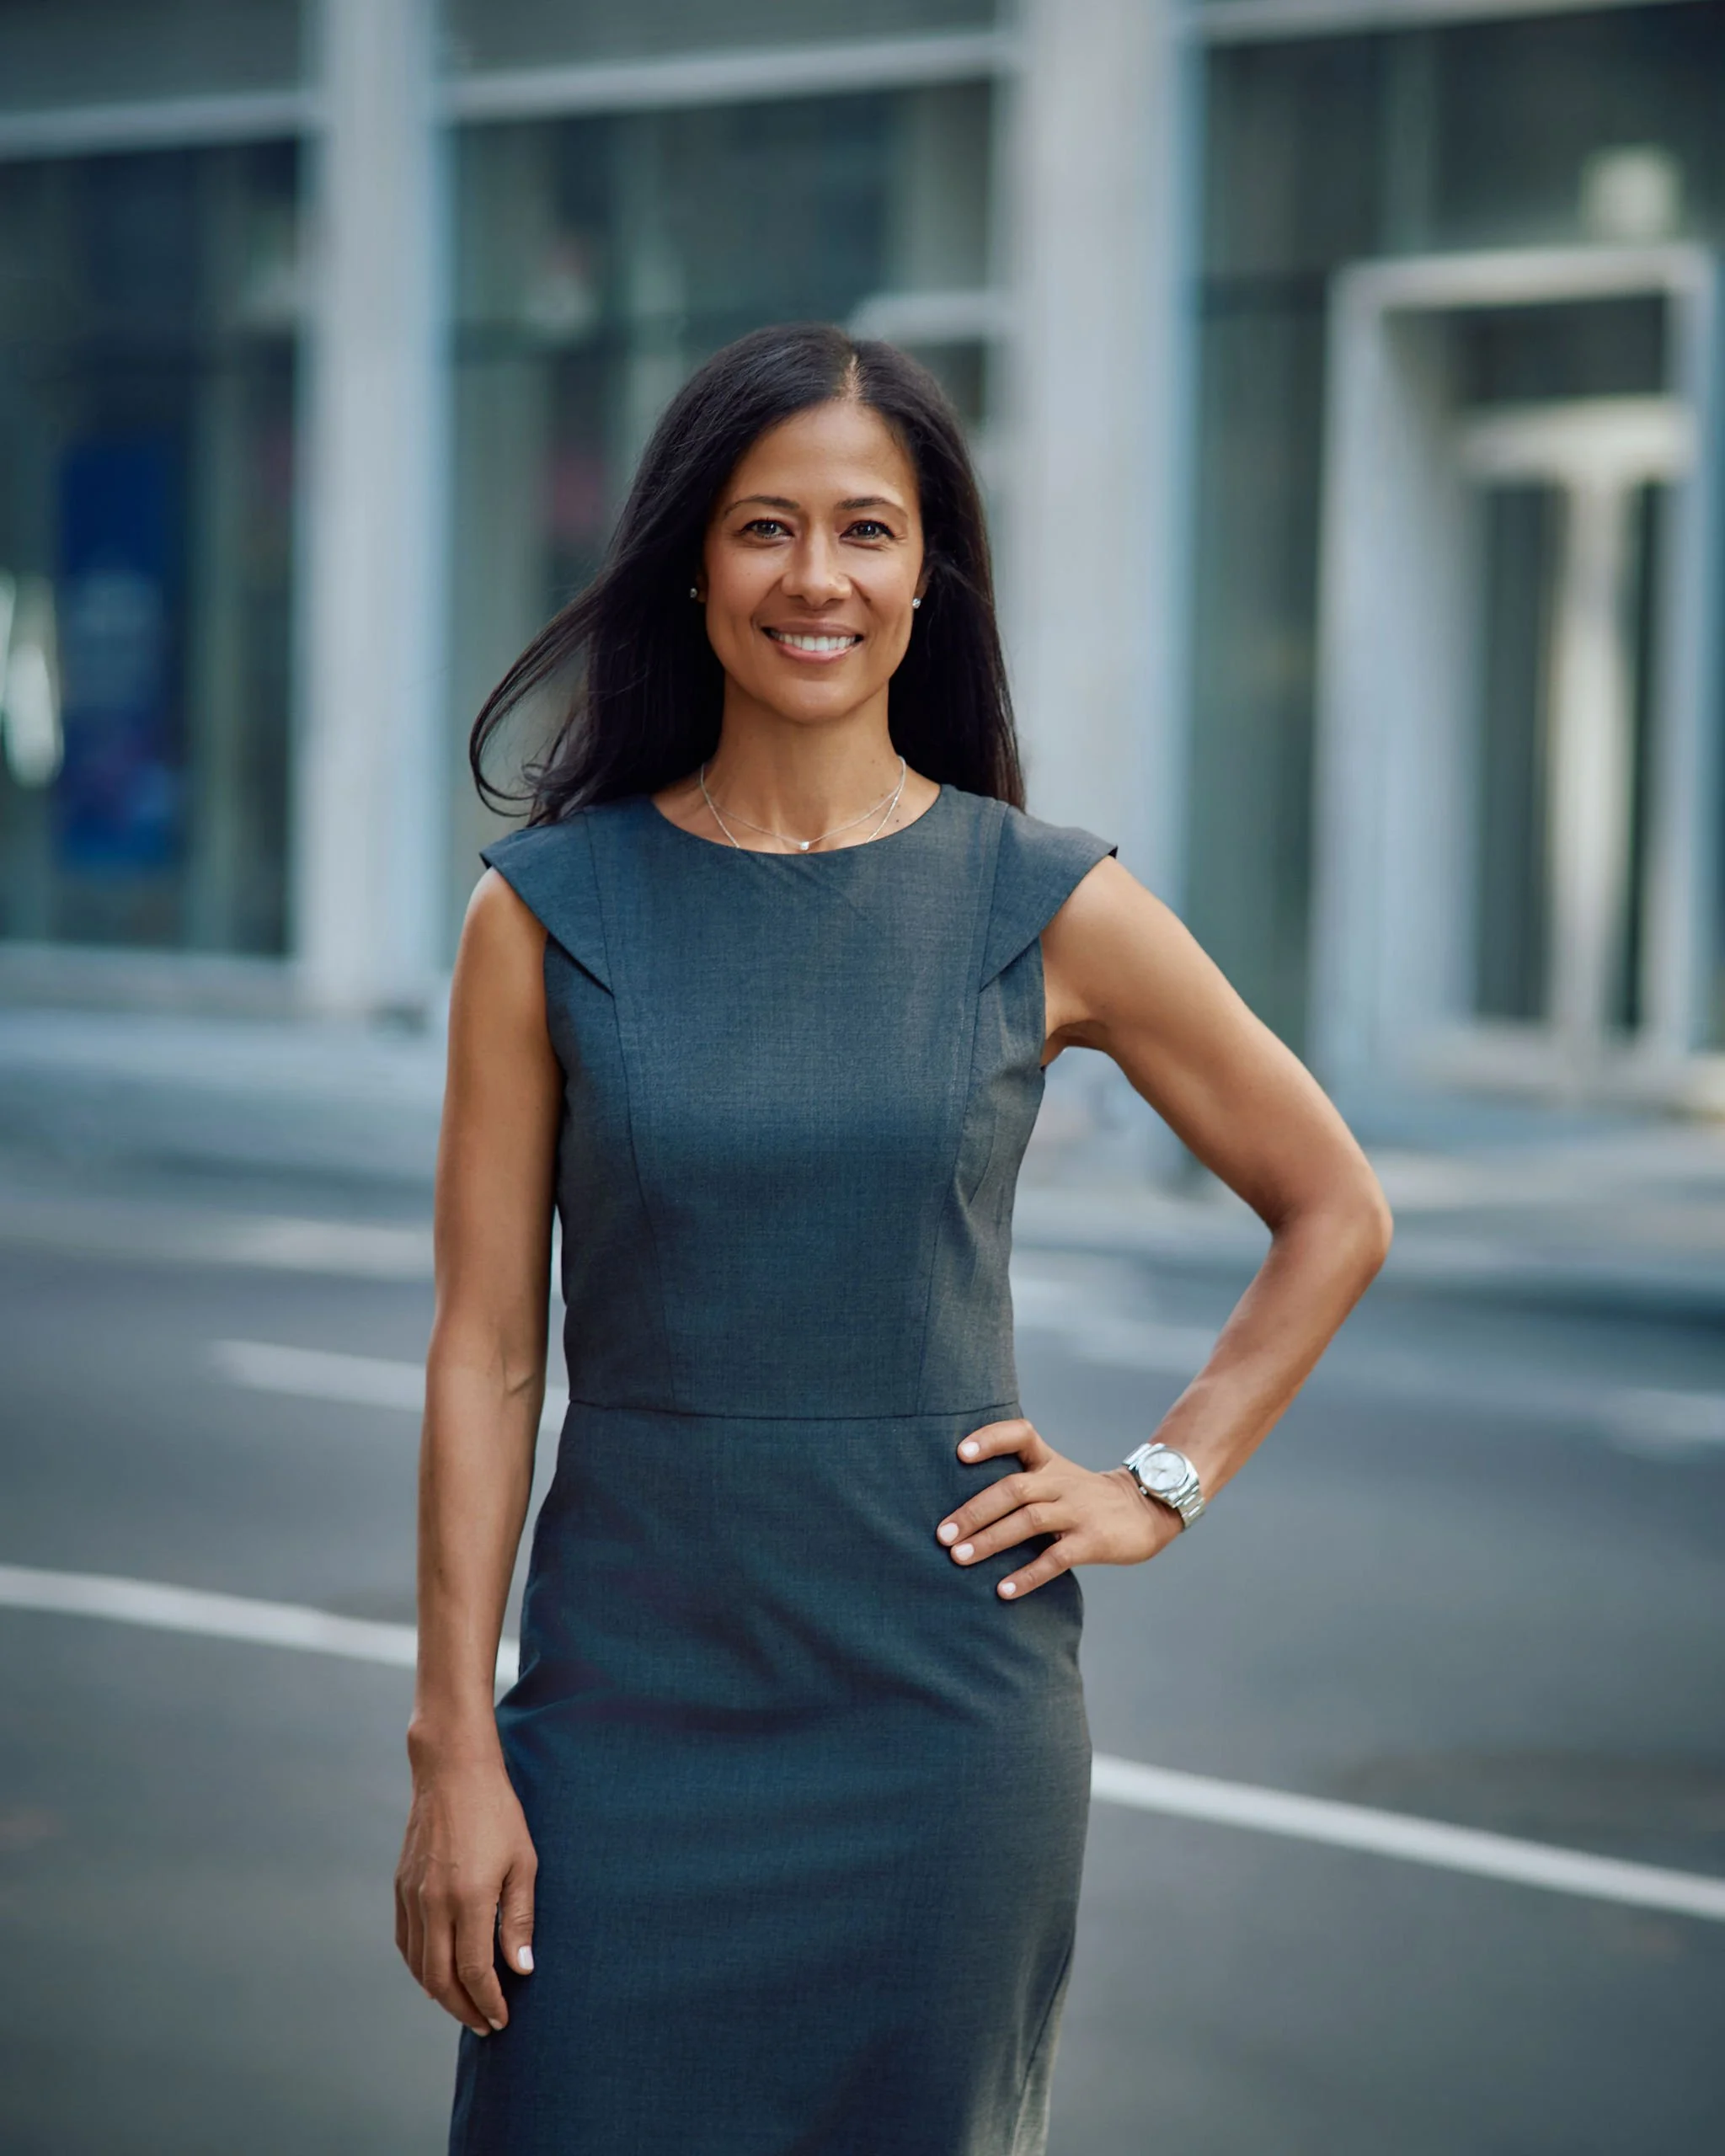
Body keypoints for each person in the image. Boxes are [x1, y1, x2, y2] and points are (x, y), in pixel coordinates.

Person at [394, 322, 1391, 2154]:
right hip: (622, 1721)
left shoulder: (1043, 897)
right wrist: (454, 1743)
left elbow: (1332, 1202)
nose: (816, 577)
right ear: (693, 558)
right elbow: (486, 1348)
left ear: (928, 572)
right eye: (766, 526)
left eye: (867, 528)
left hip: (941, 1735)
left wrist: (1161, 1476)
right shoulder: (547, 914)